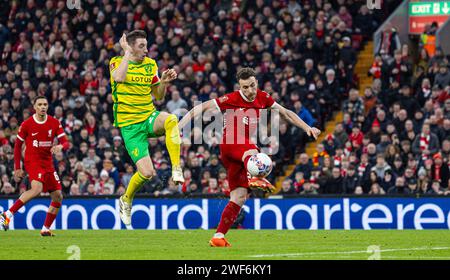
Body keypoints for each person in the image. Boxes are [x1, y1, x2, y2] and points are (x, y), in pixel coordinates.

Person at [179, 67, 321, 247]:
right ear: (240, 87)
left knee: (239, 197)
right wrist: (179, 125)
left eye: (252, 85)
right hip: (231, 143)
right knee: (253, 150)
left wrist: (307, 127)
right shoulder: (231, 98)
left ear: (257, 83)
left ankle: (219, 236)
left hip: (237, 154)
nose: (249, 91)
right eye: (245, 87)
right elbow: (200, 108)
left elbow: (285, 112)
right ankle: (256, 176)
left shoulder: (263, 97)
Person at [109, 30, 184, 226]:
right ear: (130, 46)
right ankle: (126, 199)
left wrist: (164, 83)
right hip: (129, 126)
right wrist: (126, 53)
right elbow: (118, 78)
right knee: (147, 173)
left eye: (146, 45)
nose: (146, 50)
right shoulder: (116, 62)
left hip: (148, 116)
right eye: (141, 46)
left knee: (171, 120)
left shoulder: (151, 65)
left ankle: (177, 168)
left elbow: (158, 96)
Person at [0, 96, 70, 236]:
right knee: (37, 189)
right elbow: (17, 146)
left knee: (58, 196)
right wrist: (17, 168)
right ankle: (7, 214)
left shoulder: (54, 122)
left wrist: (60, 146)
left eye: (45, 104)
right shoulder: (27, 124)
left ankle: (45, 228)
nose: (43, 107)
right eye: (40, 104)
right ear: (35, 107)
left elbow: (66, 142)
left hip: (48, 162)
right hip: (33, 160)